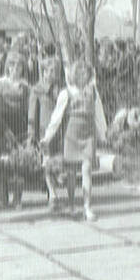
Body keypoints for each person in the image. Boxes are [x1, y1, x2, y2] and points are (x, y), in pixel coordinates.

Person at [41, 59, 108, 221]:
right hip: (71, 135)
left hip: (88, 135)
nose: (84, 77)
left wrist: (104, 134)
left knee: (87, 170)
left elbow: (99, 115)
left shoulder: (93, 92)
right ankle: (71, 205)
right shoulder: (66, 93)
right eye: (81, 73)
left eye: (87, 74)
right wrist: (47, 137)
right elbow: (56, 118)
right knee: (71, 173)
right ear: (74, 75)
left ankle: (87, 206)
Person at [0, 51, 31, 209]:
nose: (16, 68)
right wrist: (3, 129)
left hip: (20, 127)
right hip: (2, 127)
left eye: (19, 65)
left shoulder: (26, 86)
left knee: (20, 163)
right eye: (12, 65)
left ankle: (17, 198)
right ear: (7, 66)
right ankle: (3, 193)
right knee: (3, 162)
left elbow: (29, 109)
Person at [27, 55, 64, 211]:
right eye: (50, 71)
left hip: (61, 132)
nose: (53, 74)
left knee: (60, 163)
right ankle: (53, 195)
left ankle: (53, 189)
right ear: (44, 72)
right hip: (45, 132)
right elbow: (32, 114)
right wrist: (31, 135)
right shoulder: (37, 89)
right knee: (47, 162)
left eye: (56, 71)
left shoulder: (62, 89)